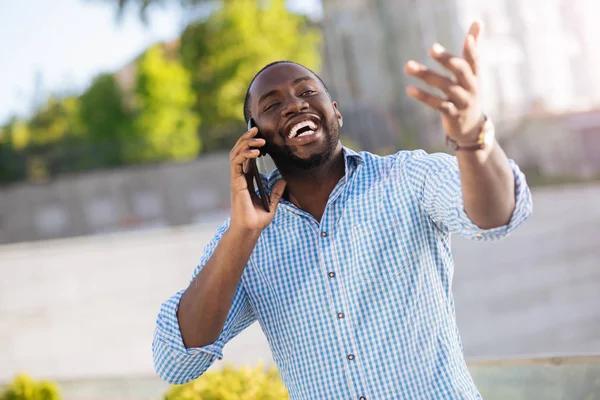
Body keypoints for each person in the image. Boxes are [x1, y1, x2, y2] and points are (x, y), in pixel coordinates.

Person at [152, 21, 532, 399]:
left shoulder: (407, 178)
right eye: (272, 104)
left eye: (307, 92)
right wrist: (242, 233)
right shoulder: (242, 241)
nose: (295, 104)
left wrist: (472, 138)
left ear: (335, 112)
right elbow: (176, 362)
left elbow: (497, 216)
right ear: (255, 139)